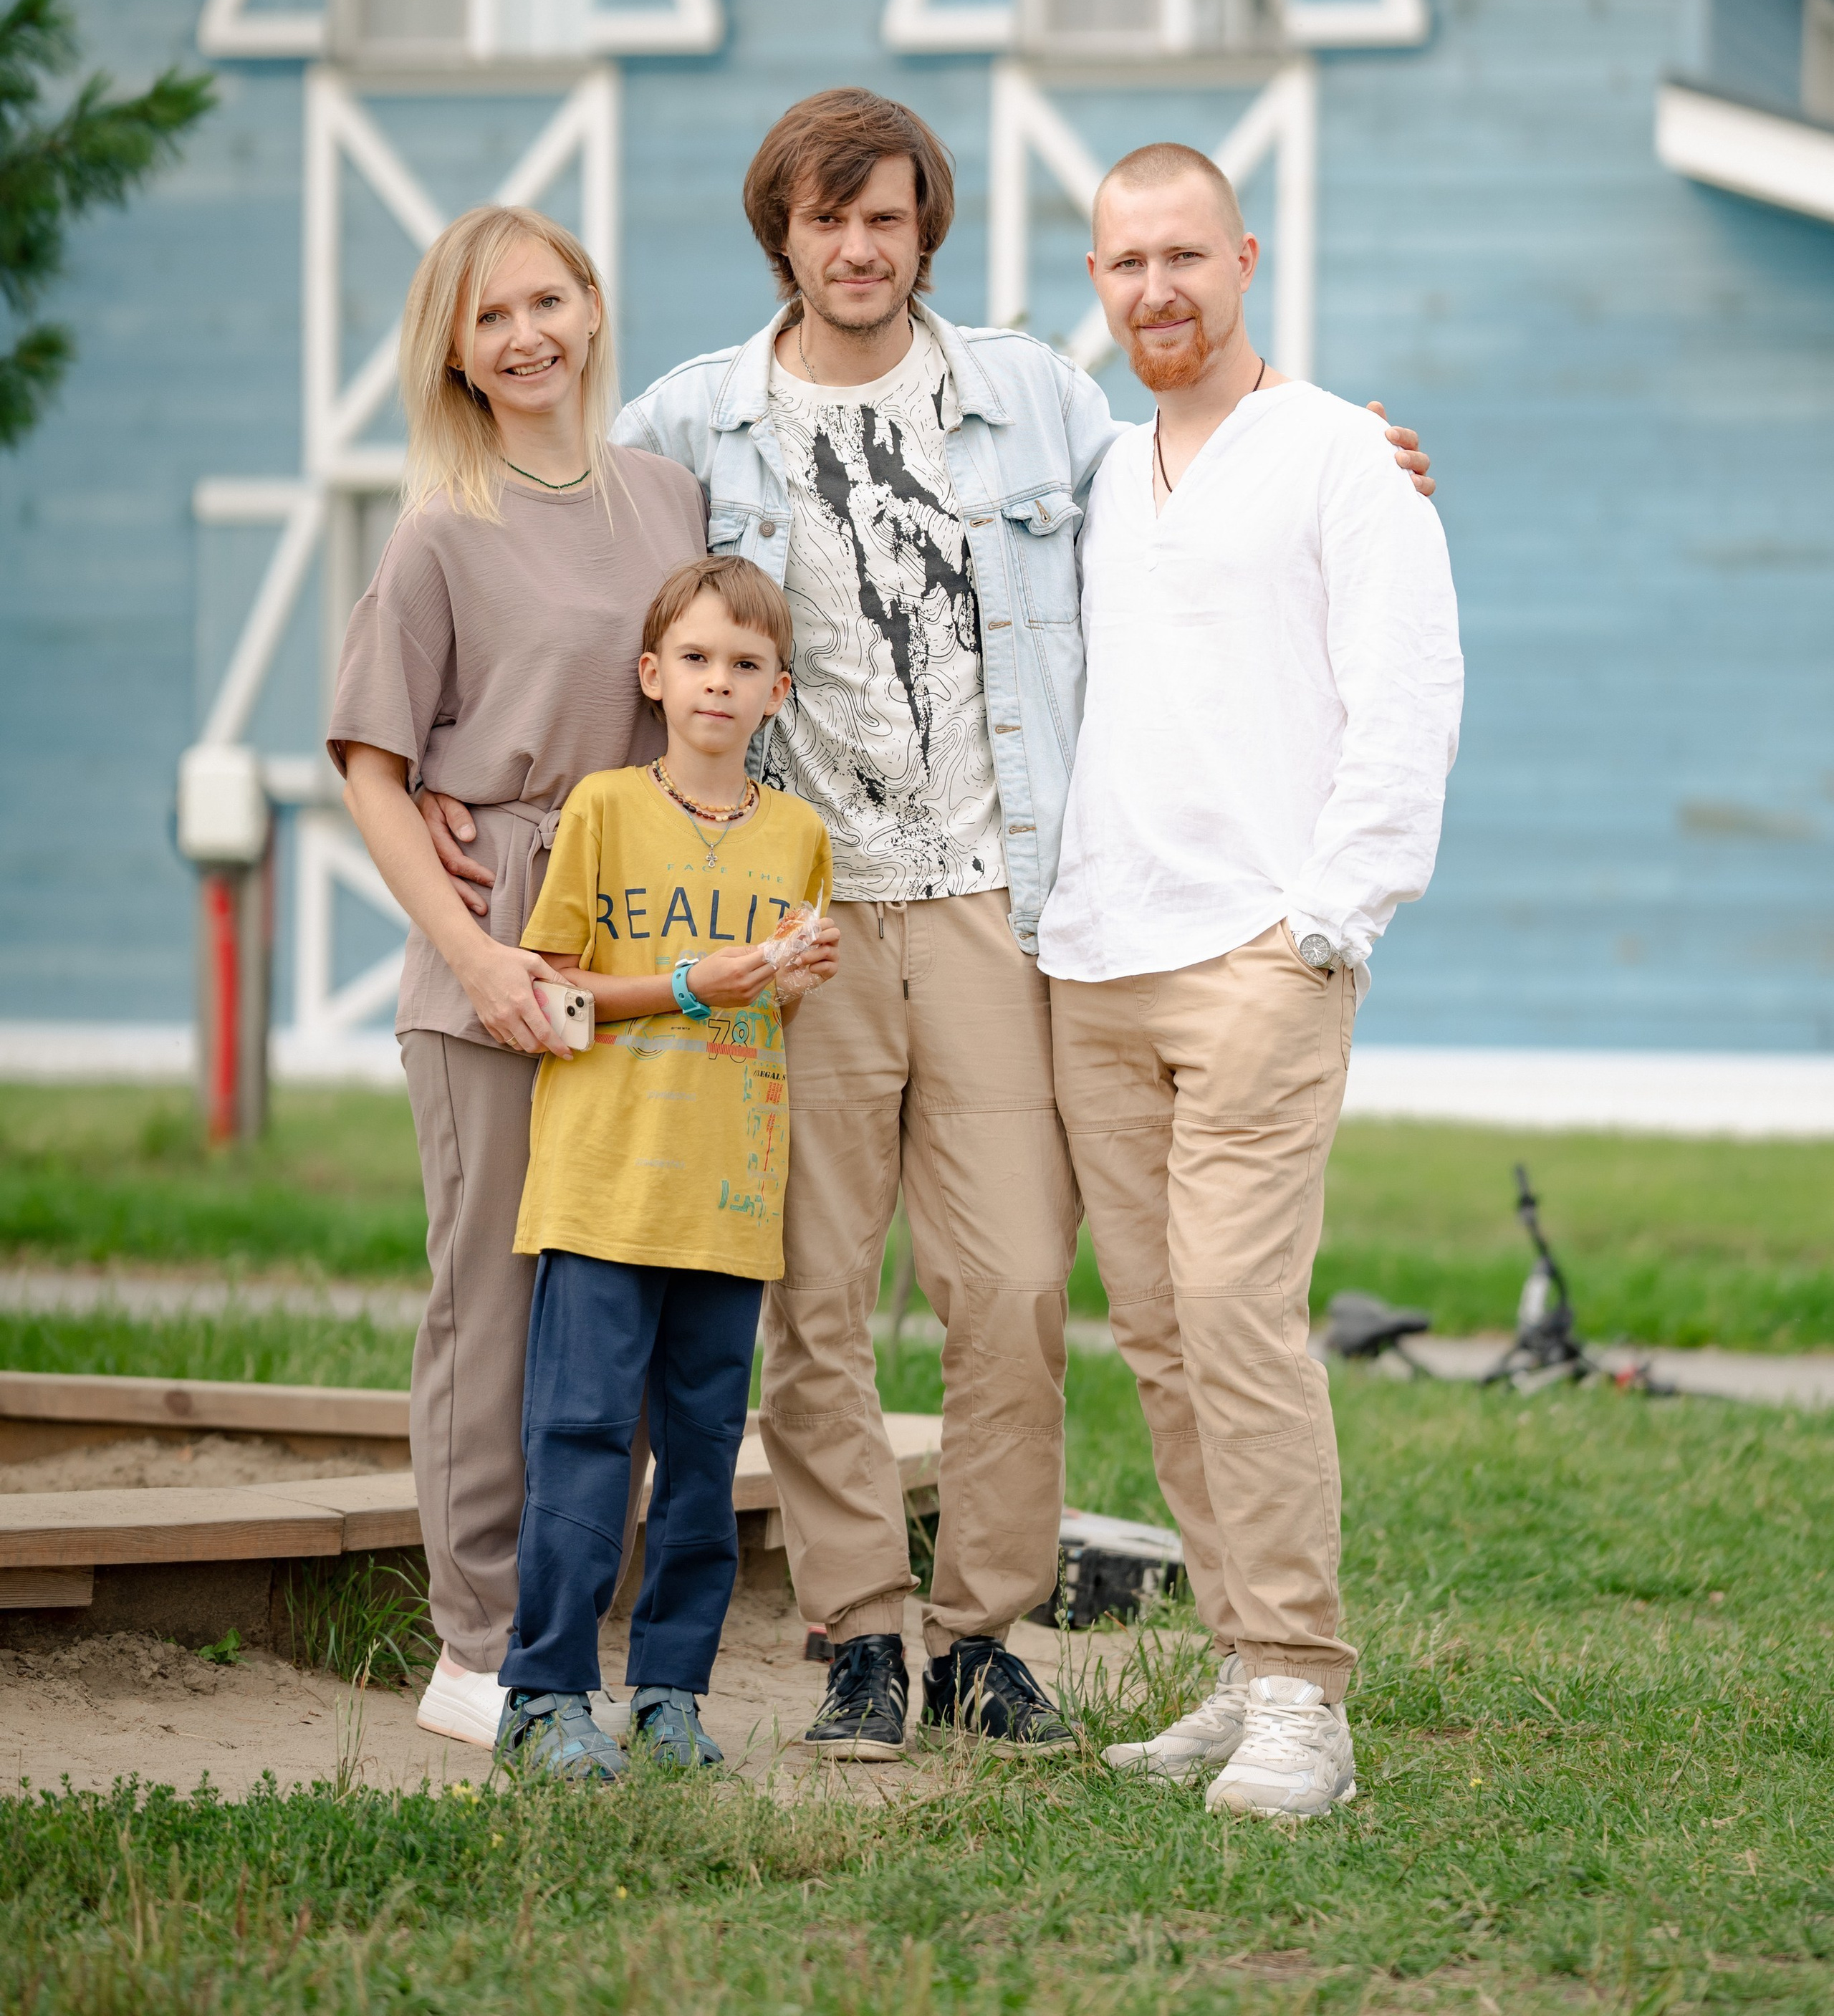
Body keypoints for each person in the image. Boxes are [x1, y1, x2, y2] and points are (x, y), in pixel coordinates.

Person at [594, 88, 1437, 1760]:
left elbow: (1203, 462)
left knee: (1011, 1294)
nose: (856, 247)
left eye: (887, 217)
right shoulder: (690, 425)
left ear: (927, 232)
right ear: (783, 232)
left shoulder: (1037, 402)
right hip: (804, 922)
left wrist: (1358, 452)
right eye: (825, 219)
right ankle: (855, 1634)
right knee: (817, 1296)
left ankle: (979, 1628)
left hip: (1000, 911)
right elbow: (587, 575)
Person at [1039, 143, 1463, 1820]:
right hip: (1094, 957)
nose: (1156, 289)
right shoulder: (1093, 469)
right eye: (1123, 263)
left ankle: (1303, 1696)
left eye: (1184, 257)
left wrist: (1331, 919)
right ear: (1096, 281)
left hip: (1257, 957)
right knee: (1154, 1331)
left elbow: (1405, 695)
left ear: (1245, 259)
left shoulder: (1340, 454)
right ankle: (1238, 1663)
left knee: (1235, 1310)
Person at [330, 206, 705, 1751]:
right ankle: (473, 1648)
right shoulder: (439, 526)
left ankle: (575, 1630)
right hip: (490, 957)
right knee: (488, 1307)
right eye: (490, 317)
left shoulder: (670, 493)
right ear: (456, 352)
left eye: (546, 300)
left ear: (592, 306)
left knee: (608, 1309)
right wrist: (479, 958)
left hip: (634, 960)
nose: (526, 334)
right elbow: (369, 764)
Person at [494, 555, 837, 1782]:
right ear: (652, 675)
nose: (717, 683)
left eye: (746, 666)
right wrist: (693, 982)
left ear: (778, 694)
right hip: (602, 1187)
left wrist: (786, 984)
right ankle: (543, 1694)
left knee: (703, 1458)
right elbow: (548, 995)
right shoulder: (600, 809)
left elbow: (767, 1014)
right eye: (695, 658)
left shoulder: (800, 838)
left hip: (728, 1200)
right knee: (582, 1437)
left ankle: (670, 1697)